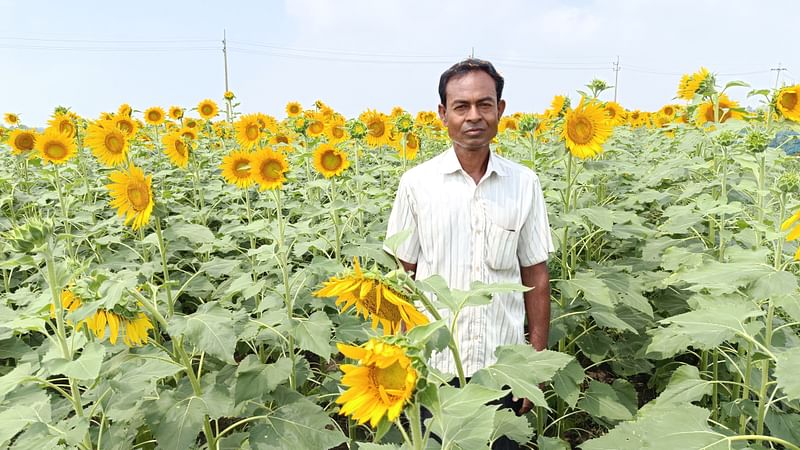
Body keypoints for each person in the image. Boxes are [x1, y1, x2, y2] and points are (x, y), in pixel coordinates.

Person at [385, 59, 554, 449]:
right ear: (443, 115)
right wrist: (397, 363)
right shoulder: (416, 185)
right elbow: (400, 278)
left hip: (502, 372)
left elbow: (536, 275)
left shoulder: (524, 184)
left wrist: (534, 365)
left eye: (485, 104)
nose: (473, 116)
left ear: (501, 110)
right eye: (461, 106)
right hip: (432, 374)